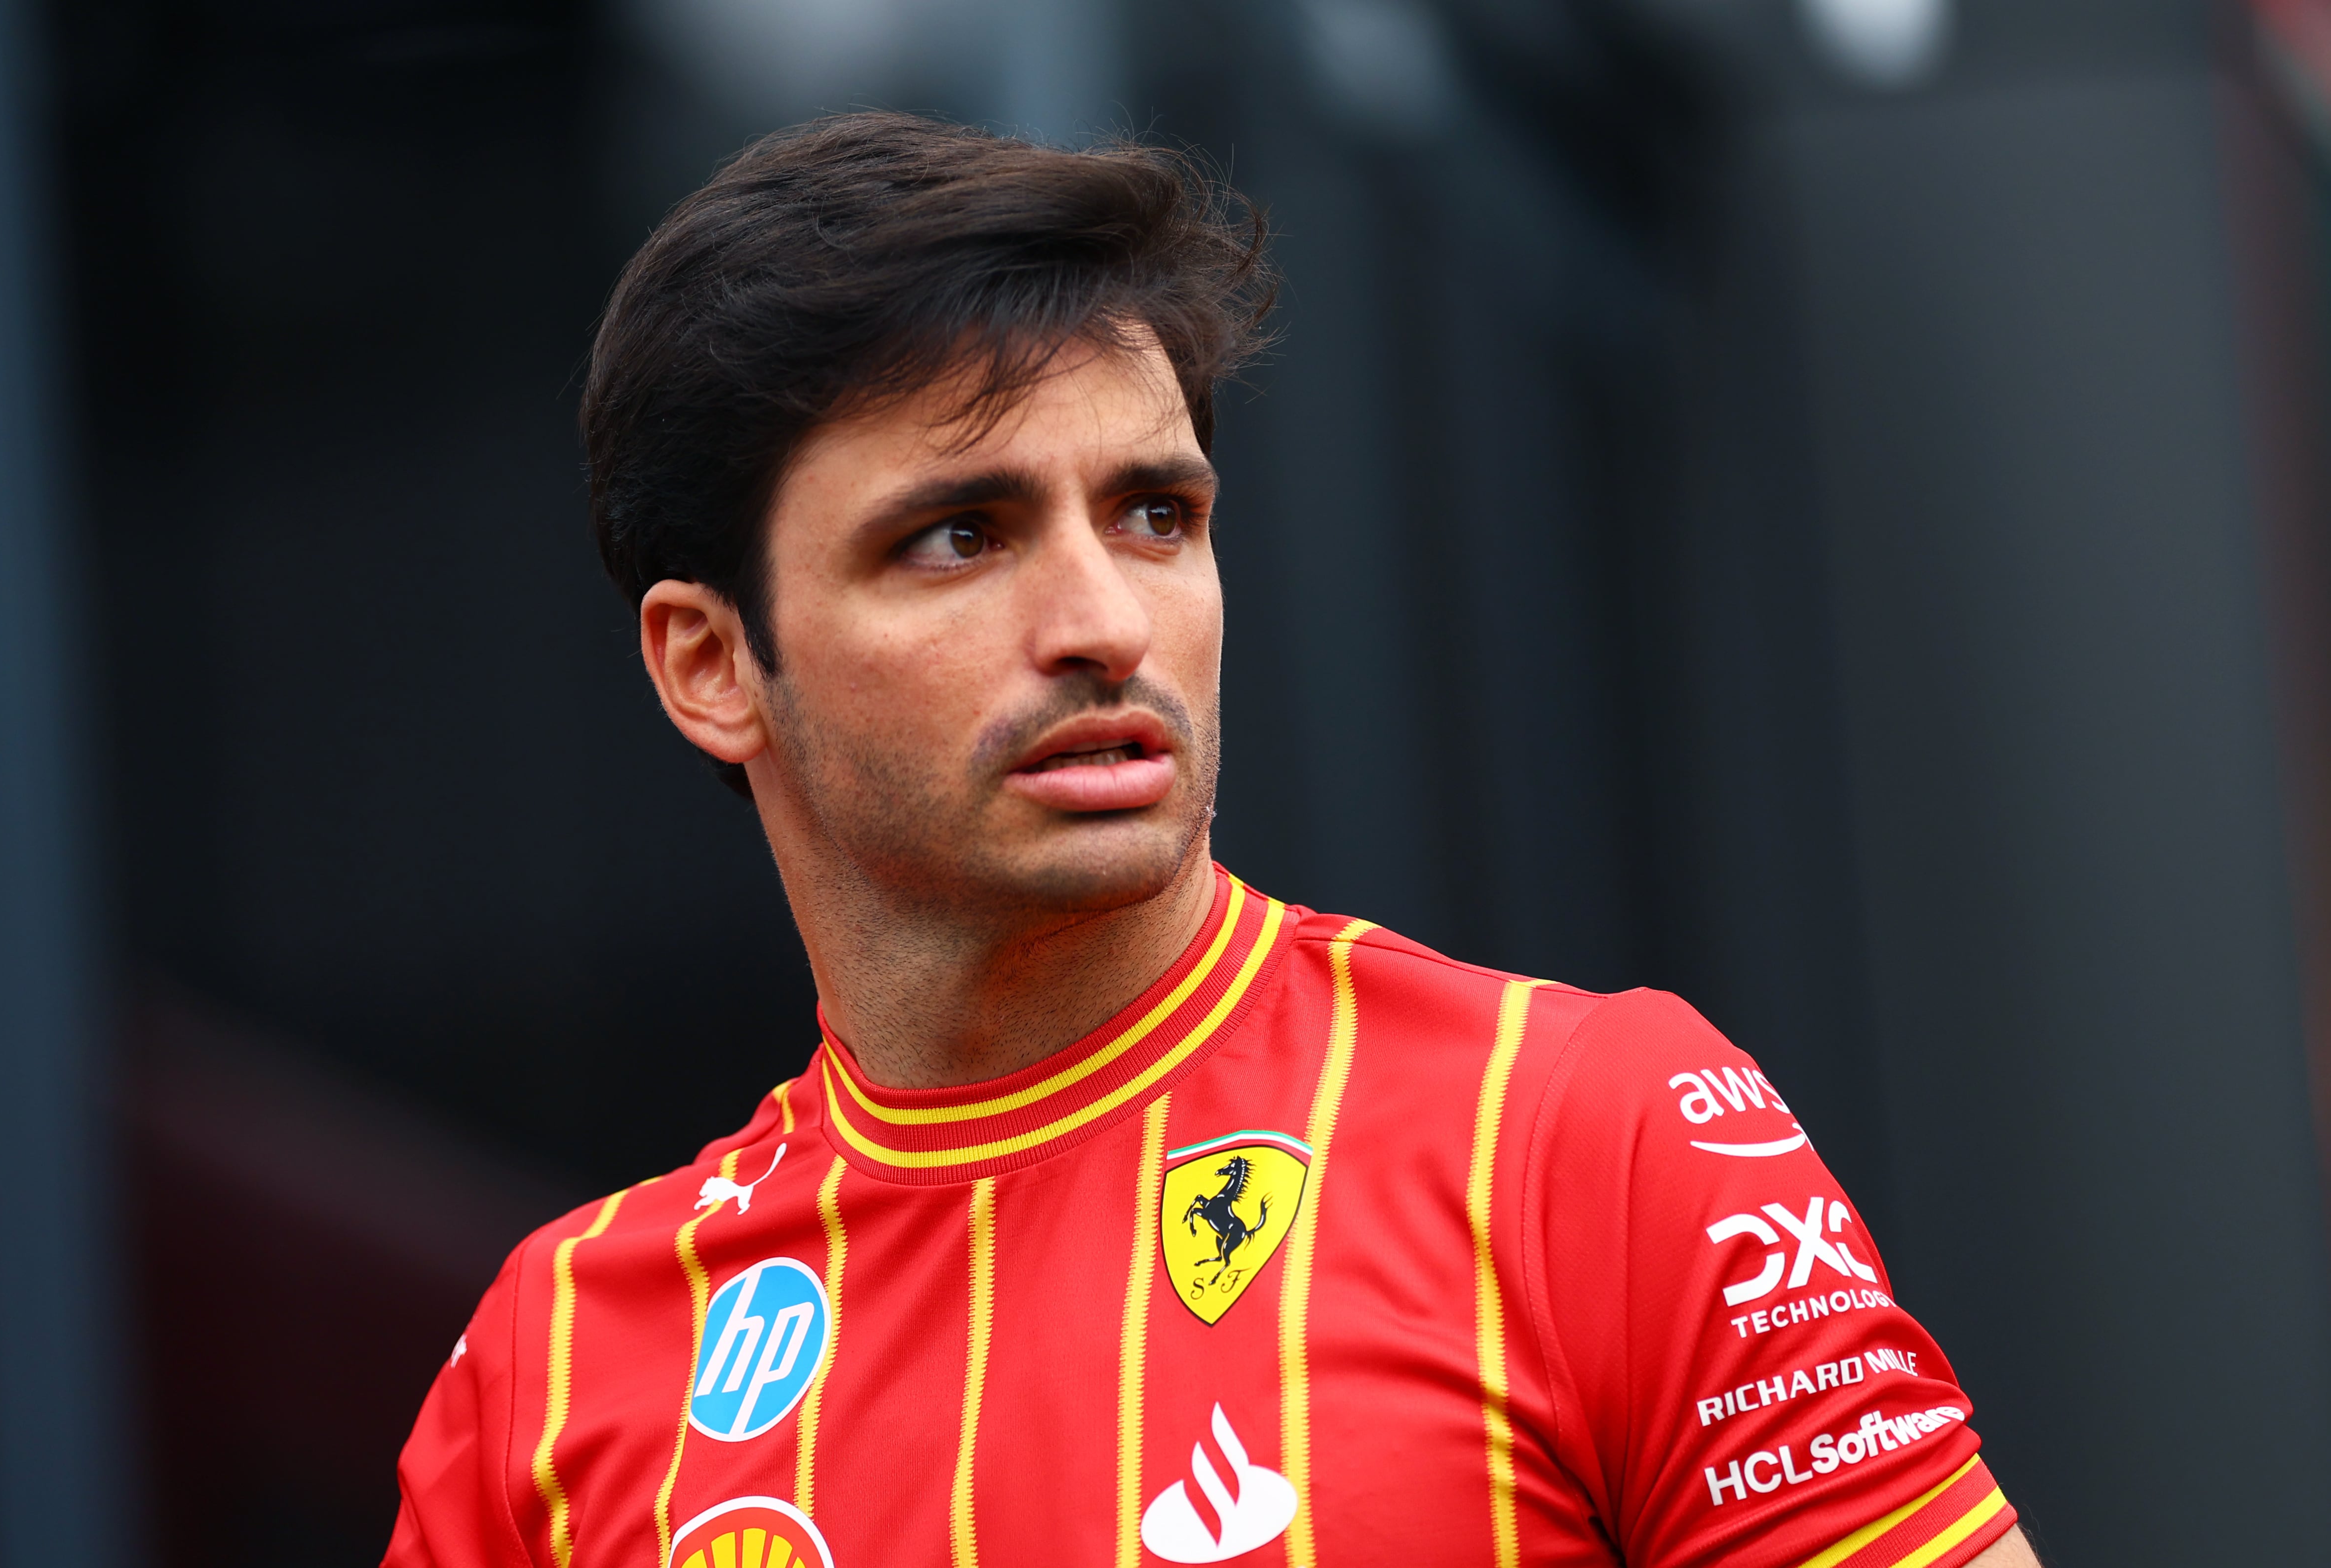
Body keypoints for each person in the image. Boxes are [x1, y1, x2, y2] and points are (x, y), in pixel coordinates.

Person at [385, 112, 2037, 1568]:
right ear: (710, 663)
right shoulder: (555, 1371)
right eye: (959, 536)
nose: (1105, 621)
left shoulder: (1590, 1134)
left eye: (1154, 515)